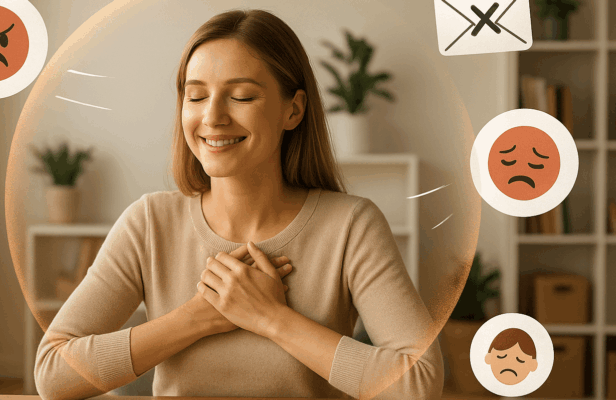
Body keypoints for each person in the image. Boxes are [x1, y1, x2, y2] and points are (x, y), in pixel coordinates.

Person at [35, 9, 443, 400]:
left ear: (293, 109)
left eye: (242, 97)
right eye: (195, 97)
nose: (212, 117)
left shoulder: (352, 225)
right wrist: (197, 317)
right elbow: (53, 375)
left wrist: (271, 318)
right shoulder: (148, 223)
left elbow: (419, 383)